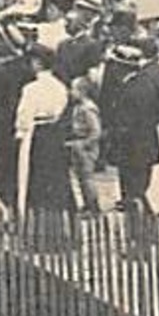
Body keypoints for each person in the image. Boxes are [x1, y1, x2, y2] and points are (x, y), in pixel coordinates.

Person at [103, 39, 159, 216]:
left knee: (136, 188)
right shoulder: (140, 83)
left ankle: (144, 220)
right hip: (141, 145)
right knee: (138, 187)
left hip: (134, 146)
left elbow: (132, 120)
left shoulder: (134, 88)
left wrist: (115, 133)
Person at [13, 43, 71, 216]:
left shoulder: (31, 89)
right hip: (54, 131)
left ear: (37, 63)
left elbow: (24, 115)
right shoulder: (60, 87)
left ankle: (35, 213)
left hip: (36, 132)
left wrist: (20, 131)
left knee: (33, 174)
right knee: (54, 173)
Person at [62, 73, 103, 214]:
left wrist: (85, 143)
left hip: (86, 147)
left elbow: (96, 131)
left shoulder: (87, 108)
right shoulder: (78, 107)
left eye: (73, 89)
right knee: (80, 178)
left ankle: (93, 205)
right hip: (78, 143)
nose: (70, 92)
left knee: (86, 178)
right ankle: (87, 203)